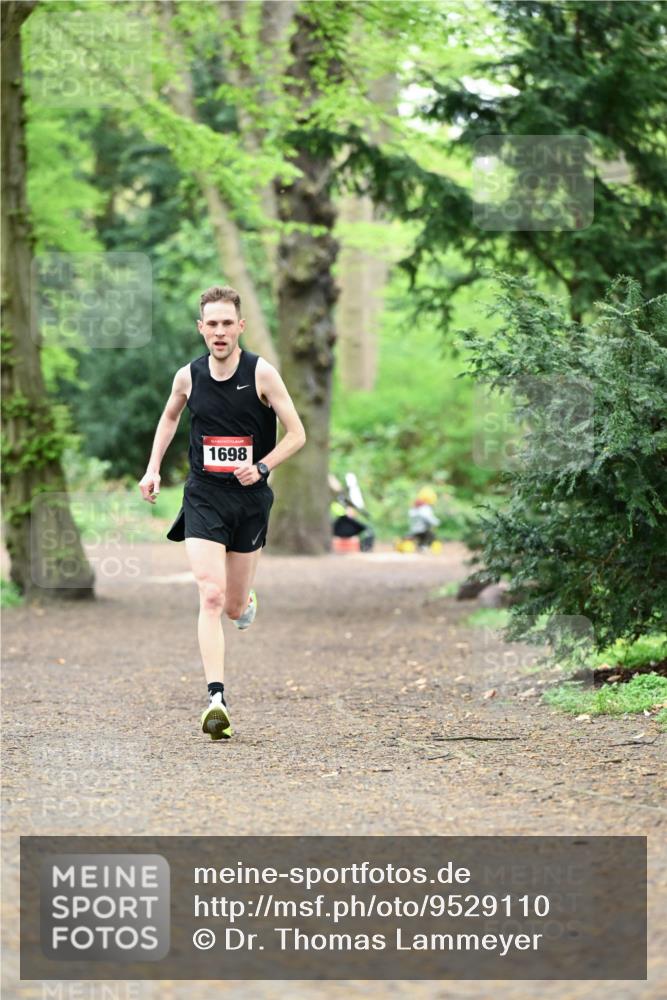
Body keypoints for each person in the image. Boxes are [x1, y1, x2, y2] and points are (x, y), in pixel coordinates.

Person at [139, 285, 306, 740]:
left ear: (240, 327)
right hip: (204, 495)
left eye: (226, 323)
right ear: (200, 328)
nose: (218, 331)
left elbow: (297, 434)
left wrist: (264, 465)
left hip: (250, 500)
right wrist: (153, 469)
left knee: (232, 606)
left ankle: (246, 600)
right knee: (209, 595)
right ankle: (216, 698)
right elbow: (171, 417)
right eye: (211, 324)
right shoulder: (188, 377)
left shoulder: (262, 374)